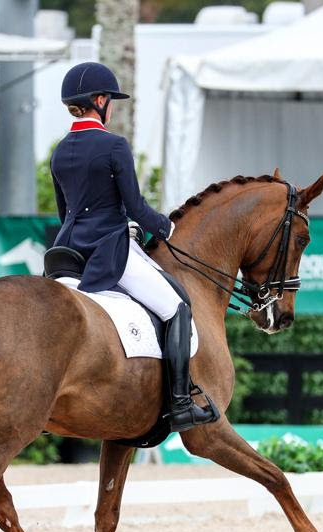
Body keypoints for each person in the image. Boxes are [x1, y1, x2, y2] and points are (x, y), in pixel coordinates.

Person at [50, 61, 218, 433]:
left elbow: (66, 213)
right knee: (176, 307)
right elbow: (136, 207)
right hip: (109, 250)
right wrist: (167, 228)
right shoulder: (113, 145)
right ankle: (179, 403)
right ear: (99, 100)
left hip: (67, 254)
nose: (111, 105)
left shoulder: (60, 151)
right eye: (110, 100)